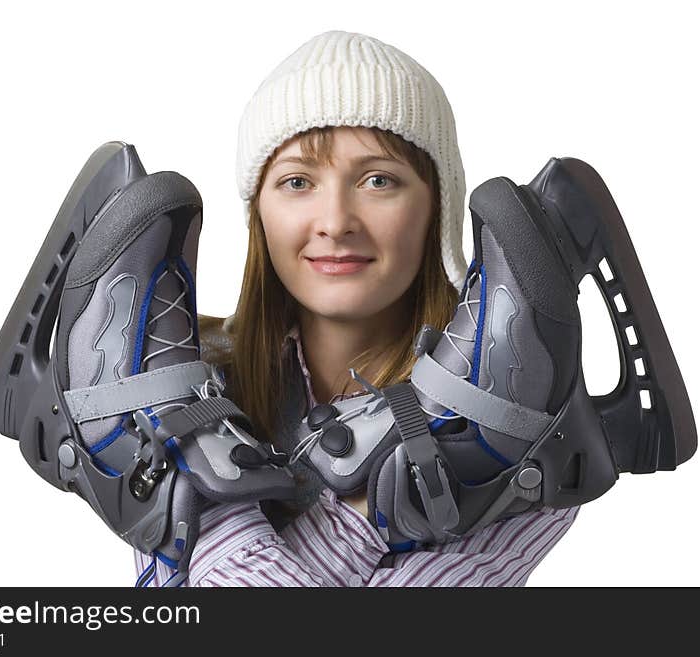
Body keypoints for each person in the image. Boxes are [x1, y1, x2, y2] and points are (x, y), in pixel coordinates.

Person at [134, 30, 580, 587]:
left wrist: (203, 488)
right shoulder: (186, 380)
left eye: (378, 180)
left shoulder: (516, 419)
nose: (336, 220)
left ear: (436, 211)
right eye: (297, 181)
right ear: (260, 217)